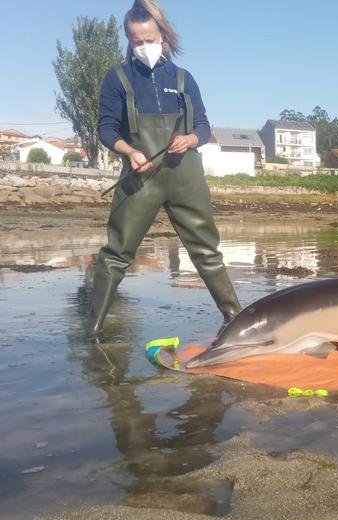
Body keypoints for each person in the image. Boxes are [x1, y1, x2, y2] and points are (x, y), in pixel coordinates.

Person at [89, 0, 240, 337]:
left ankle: (235, 319)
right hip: (139, 177)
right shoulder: (117, 78)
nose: (144, 47)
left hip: (185, 175)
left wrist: (189, 140)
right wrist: (129, 151)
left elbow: (203, 126)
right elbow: (106, 128)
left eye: (149, 39)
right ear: (129, 40)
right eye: (136, 41)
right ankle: (93, 330)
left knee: (205, 250)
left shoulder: (184, 79)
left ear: (163, 35)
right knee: (116, 253)